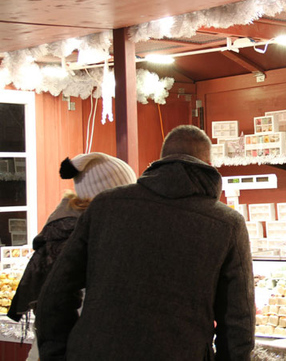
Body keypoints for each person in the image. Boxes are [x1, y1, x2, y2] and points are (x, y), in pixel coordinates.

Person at [35, 125, 255, 361]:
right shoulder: (228, 224)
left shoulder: (105, 205)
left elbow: (55, 291)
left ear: (160, 161)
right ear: (210, 166)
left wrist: (58, 354)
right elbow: (238, 324)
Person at [8, 153, 137, 361]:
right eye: (127, 193)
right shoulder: (74, 238)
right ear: (107, 196)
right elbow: (57, 308)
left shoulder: (72, 228)